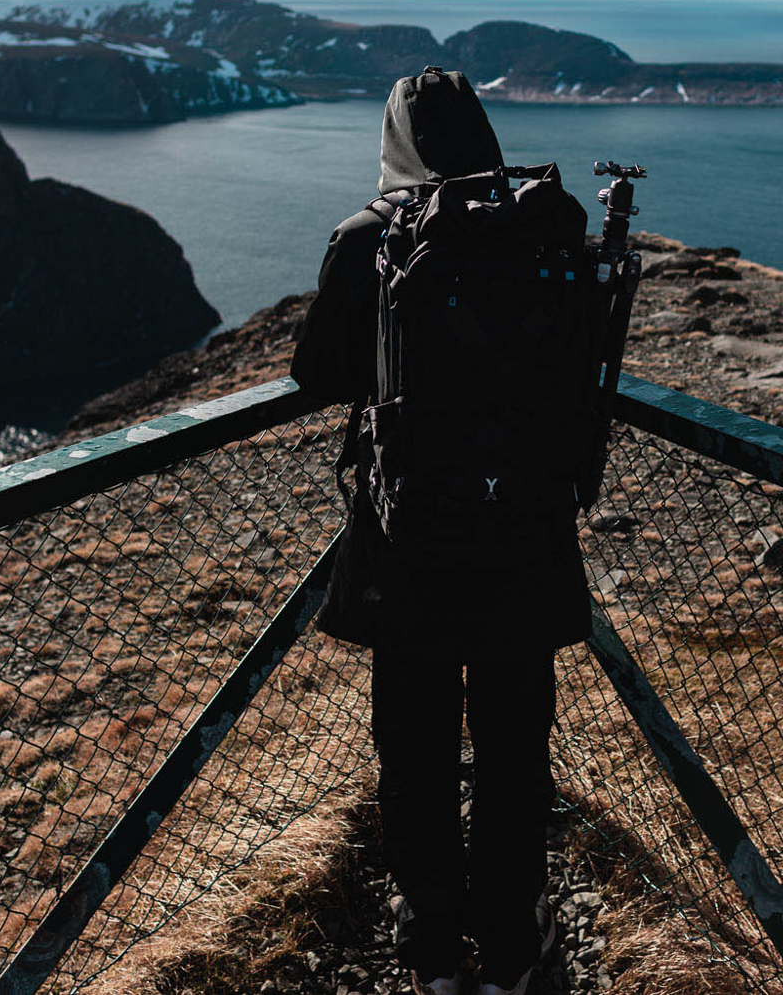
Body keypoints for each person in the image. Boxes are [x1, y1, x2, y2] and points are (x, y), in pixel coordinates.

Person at [291, 67, 594, 995]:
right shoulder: (551, 225)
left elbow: (315, 373)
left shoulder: (369, 240)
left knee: (414, 748)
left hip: (408, 543)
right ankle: (513, 946)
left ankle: (429, 948)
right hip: (527, 538)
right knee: (513, 748)